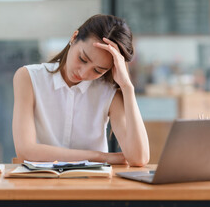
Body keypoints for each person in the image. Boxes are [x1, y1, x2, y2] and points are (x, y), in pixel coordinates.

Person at [12, 14, 149, 166]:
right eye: (83, 59)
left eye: (98, 70)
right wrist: (100, 156)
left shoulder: (108, 92)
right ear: (74, 37)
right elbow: (25, 151)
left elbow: (139, 158)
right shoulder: (29, 77)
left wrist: (127, 87)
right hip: (42, 183)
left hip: (92, 186)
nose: (83, 74)